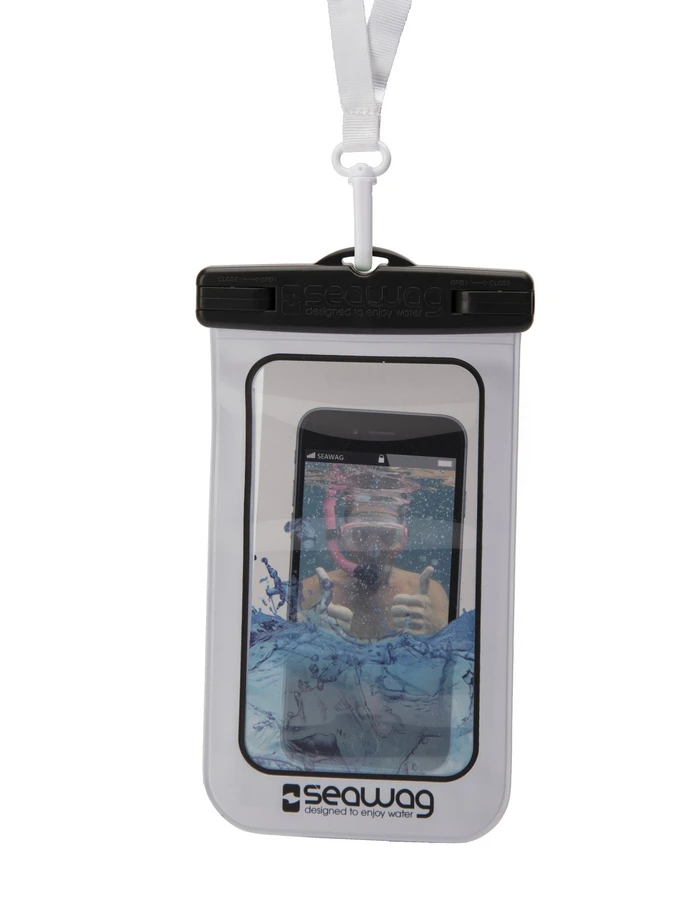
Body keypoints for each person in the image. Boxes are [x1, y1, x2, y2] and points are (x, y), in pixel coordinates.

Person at [299, 492, 448, 641]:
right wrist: (310, 633)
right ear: (343, 538)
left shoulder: (428, 596)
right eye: (360, 535)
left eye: (387, 536)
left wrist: (435, 631)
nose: (374, 551)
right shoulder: (313, 592)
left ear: (403, 538)